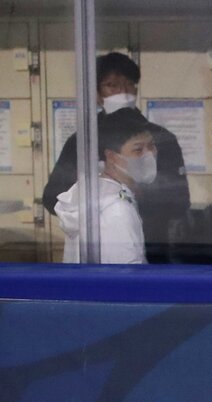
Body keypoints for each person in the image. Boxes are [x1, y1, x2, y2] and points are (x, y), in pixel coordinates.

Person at [42, 51, 191, 263]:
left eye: (128, 84)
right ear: (97, 93)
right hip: (96, 247)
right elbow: (52, 196)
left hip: (153, 244)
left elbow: (180, 200)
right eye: (112, 85)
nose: (123, 92)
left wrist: (139, 195)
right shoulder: (82, 141)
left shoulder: (160, 138)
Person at [53, 108, 154, 265]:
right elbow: (127, 279)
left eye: (151, 146)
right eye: (138, 149)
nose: (150, 155)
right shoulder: (117, 211)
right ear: (112, 156)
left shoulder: (93, 194)